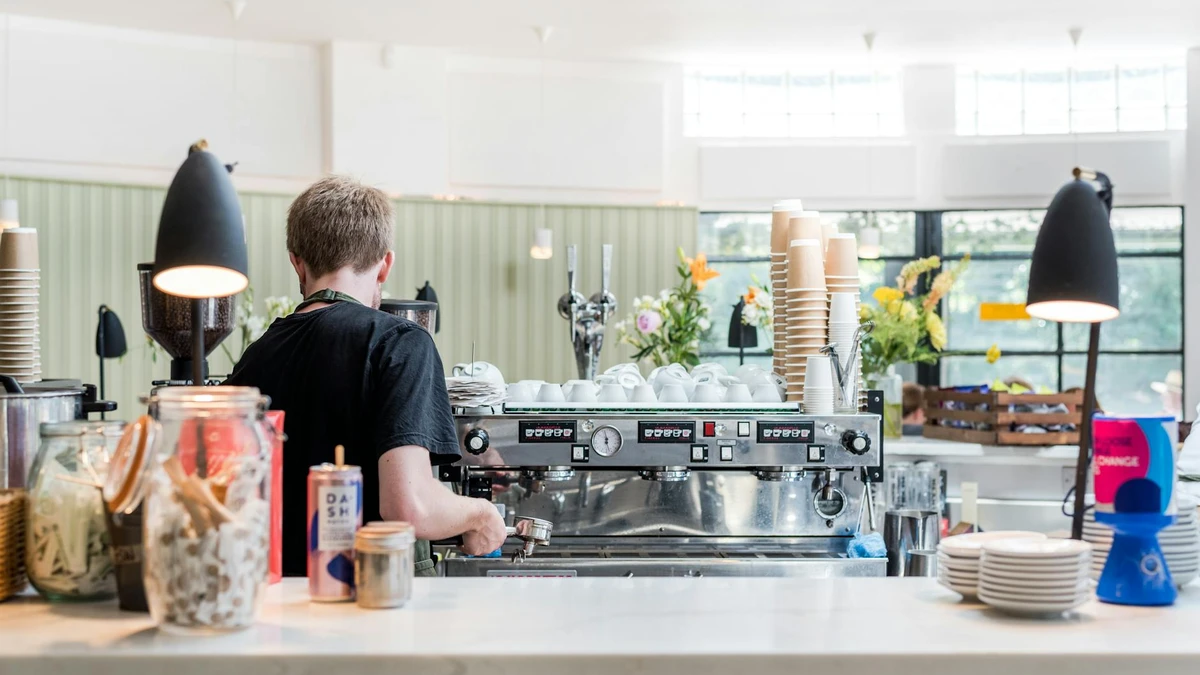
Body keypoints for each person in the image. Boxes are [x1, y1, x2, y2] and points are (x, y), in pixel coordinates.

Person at [226, 176, 507, 576]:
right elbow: (410, 507)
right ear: (385, 265)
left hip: (276, 606)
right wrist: (481, 514)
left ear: (297, 263)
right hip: (369, 610)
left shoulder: (255, 357)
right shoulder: (400, 342)